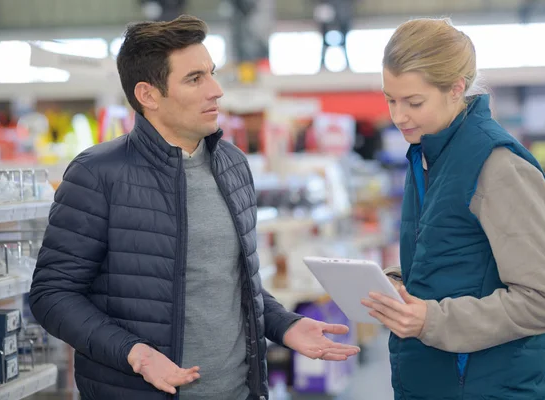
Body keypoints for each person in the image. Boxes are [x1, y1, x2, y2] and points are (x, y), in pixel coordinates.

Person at [29, 15, 359, 400]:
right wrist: (134, 353)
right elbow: (52, 295)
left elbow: (232, 283)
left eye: (211, 74)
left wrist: (284, 325)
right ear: (148, 95)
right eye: (194, 79)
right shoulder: (97, 174)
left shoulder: (233, 166)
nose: (216, 90)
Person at [361, 18, 545, 399]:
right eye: (390, 99)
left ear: (456, 88)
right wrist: (397, 283)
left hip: (482, 386)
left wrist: (432, 321)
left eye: (414, 102)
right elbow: (457, 261)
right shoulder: (428, 154)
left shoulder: (499, 167)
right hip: (432, 381)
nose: (398, 116)